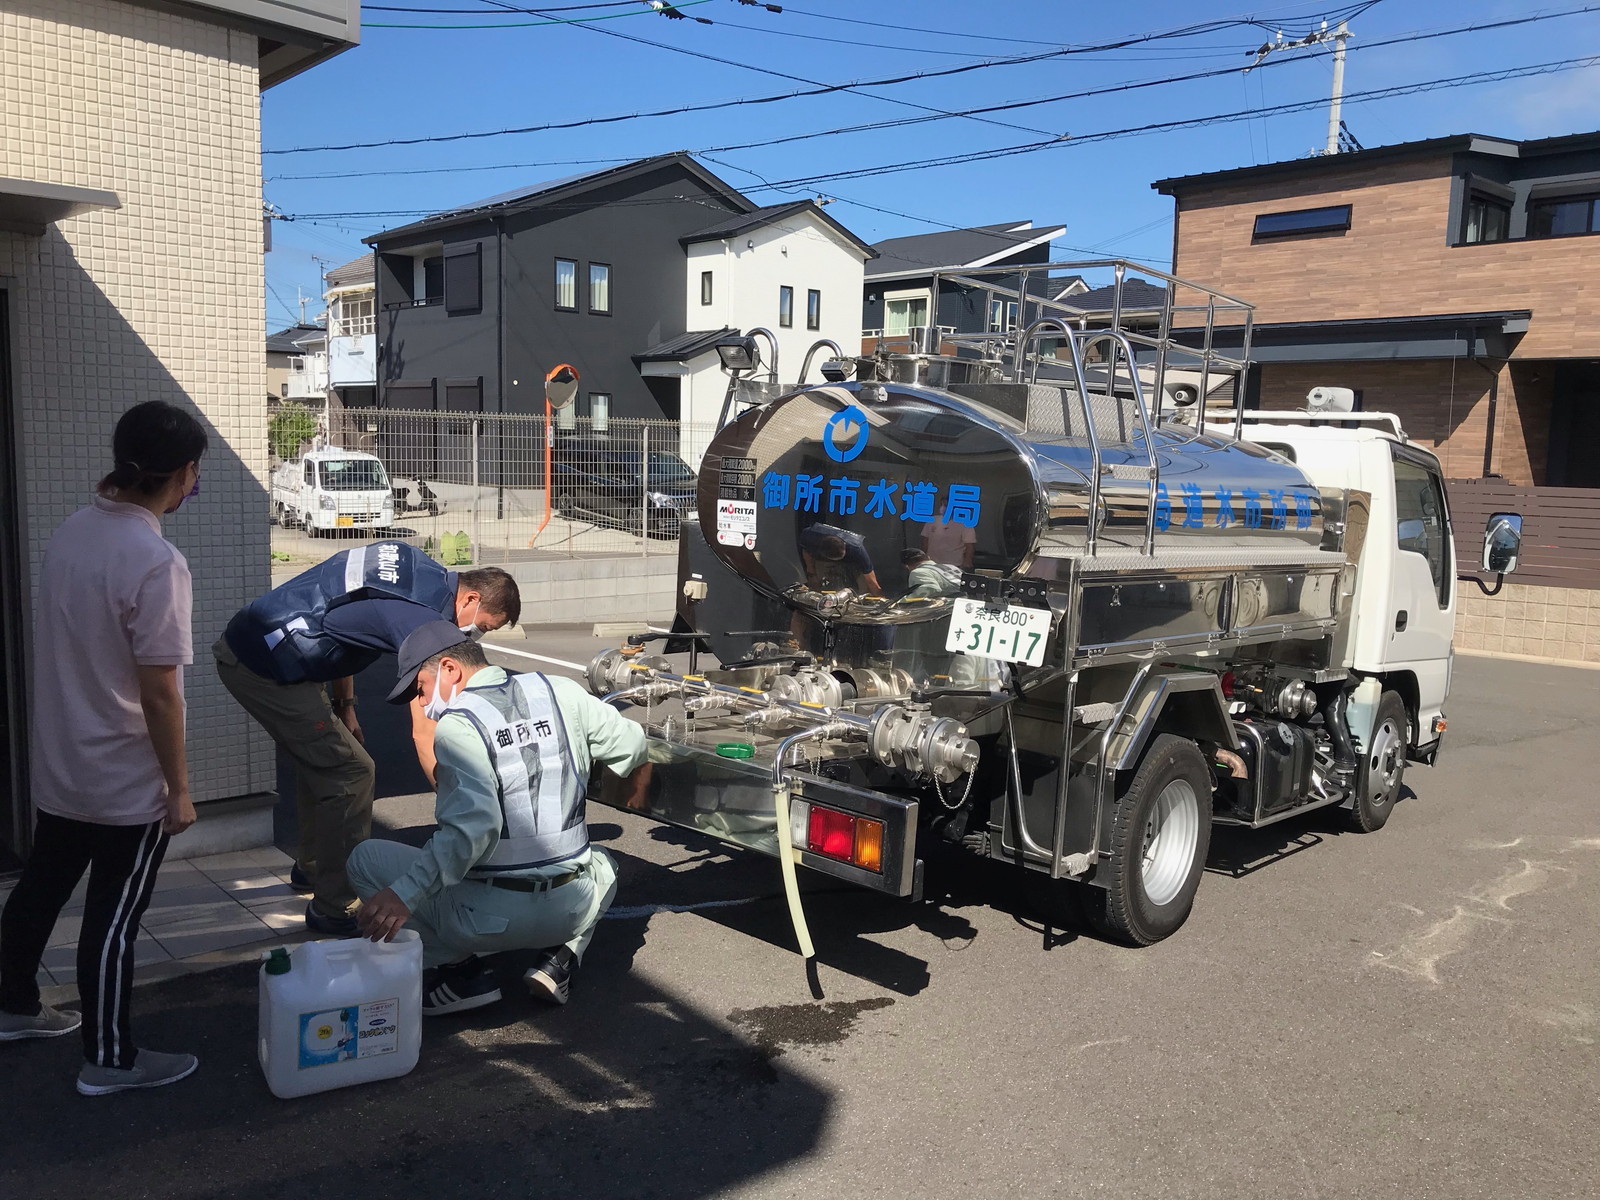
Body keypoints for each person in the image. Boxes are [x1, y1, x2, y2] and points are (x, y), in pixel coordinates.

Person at [0, 401, 206, 1095]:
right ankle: (110, 1058)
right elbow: (159, 693)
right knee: (114, 916)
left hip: (63, 762)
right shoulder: (156, 560)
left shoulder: (72, 533)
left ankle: (12, 1004)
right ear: (184, 474)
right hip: (126, 776)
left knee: (43, 887)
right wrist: (177, 789)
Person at [215, 543, 521, 936]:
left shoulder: (415, 566)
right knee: (351, 773)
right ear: (472, 598)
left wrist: (345, 704)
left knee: (326, 761)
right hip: (263, 665)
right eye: (484, 626)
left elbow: (346, 624)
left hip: (274, 643)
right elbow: (425, 727)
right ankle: (336, 903)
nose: (475, 635)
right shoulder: (422, 623)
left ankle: (313, 867)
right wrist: (453, 798)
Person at [350, 623, 650, 1015]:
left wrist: (405, 893)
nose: (423, 704)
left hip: (485, 920)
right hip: (569, 908)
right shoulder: (561, 691)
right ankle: (560, 958)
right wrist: (636, 792)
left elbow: (472, 830)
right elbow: (633, 742)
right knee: (605, 863)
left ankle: (464, 974)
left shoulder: (458, 726)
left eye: (421, 689)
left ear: (450, 669)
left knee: (365, 859)